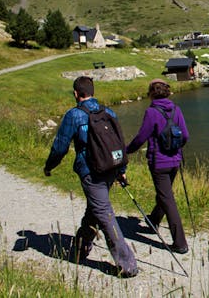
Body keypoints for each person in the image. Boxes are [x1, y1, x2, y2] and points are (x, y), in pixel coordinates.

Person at [43, 76, 138, 277]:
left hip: (91, 172)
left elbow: (60, 147)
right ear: (92, 92)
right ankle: (79, 249)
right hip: (111, 168)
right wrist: (121, 171)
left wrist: (49, 167)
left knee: (103, 212)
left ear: (76, 94)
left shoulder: (74, 115)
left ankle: (127, 264)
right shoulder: (108, 112)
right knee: (94, 210)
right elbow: (118, 142)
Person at [126, 78, 190, 254]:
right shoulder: (177, 109)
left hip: (159, 163)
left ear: (151, 94)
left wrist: (126, 151)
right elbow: (185, 135)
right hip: (175, 160)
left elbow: (141, 137)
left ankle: (180, 243)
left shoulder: (151, 112)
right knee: (165, 194)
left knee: (167, 199)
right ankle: (153, 220)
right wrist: (176, 149)